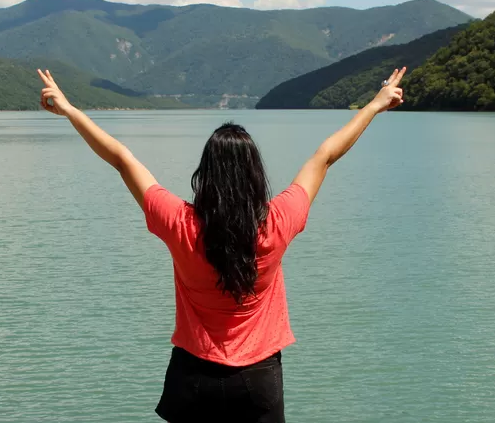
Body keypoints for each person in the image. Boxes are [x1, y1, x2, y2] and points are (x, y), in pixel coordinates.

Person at [38, 67, 406, 423]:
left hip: (193, 374)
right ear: (255, 173)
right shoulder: (277, 221)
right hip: (259, 376)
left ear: (205, 174)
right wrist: (374, 105)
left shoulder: (180, 222)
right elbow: (325, 155)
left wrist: (69, 110)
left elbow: (121, 158)